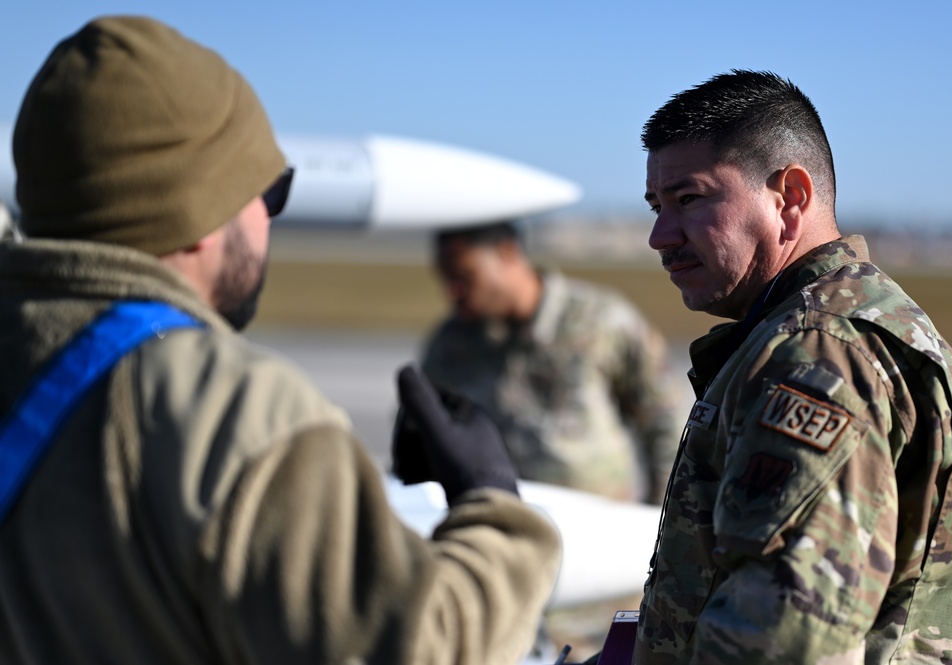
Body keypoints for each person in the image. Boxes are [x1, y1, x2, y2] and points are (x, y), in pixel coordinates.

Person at [0, 16, 559, 665]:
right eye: (269, 192)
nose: (268, 220)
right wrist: (492, 505)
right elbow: (416, 648)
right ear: (200, 212)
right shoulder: (231, 410)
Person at [631, 69, 952, 664]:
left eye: (689, 199)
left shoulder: (819, 352)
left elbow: (783, 638)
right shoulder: (842, 323)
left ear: (790, 198)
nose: (659, 235)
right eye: (656, 205)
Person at [420, 220, 683, 505]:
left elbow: (665, 423)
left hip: (597, 528)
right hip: (496, 527)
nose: (452, 292)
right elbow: (422, 438)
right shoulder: (450, 343)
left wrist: (661, 518)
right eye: (446, 279)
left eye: (465, 276)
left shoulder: (601, 321)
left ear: (507, 253)